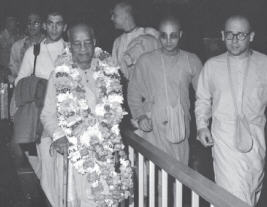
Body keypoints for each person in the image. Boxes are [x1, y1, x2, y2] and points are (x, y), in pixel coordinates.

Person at [41, 23, 132, 207]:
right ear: (69, 46)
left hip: (105, 153)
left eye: (87, 43)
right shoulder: (58, 76)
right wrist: (59, 136)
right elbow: (47, 115)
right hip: (74, 155)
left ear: (95, 43)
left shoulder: (110, 73)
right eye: (77, 44)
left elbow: (115, 114)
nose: (83, 49)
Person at [195, 15, 267, 206]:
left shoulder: (264, 64)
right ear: (222, 35)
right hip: (224, 139)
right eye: (230, 34)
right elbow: (202, 99)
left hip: (256, 139)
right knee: (232, 194)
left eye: (241, 35)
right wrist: (202, 126)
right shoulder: (212, 65)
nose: (235, 40)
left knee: (252, 188)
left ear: (251, 36)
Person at [128, 15, 202, 163]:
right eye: (164, 36)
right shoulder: (146, 60)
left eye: (173, 36)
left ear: (180, 35)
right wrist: (140, 116)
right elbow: (133, 93)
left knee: (179, 176)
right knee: (155, 177)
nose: (168, 41)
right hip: (152, 127)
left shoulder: (191, 60)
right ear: (158, 35)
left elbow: (204, 96)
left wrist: (202, 125)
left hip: (180, 127)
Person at [14, 10, 67, 207]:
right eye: (50, 23)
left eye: (58, 23)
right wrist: (39, 85)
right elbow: (20, 82)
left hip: (68, 119)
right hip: (42, 119)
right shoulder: (34, 51)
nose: (54, 27)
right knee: (46, 167)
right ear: (45, 26)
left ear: (64, 27)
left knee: (65, 170)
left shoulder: (71, 50)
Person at [111, 1, 159, 79]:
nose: (111, 18)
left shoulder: (147, 35)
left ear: (125, 16)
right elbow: (114, 70)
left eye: (115, 15)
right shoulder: (117, 42)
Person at [9, 12, 44, 82]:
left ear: (42, 25)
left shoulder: (48, 45)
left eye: (36, 23)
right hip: (22, 85)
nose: (32, 26)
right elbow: (13, 70)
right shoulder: (17, 46)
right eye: (29, 23)